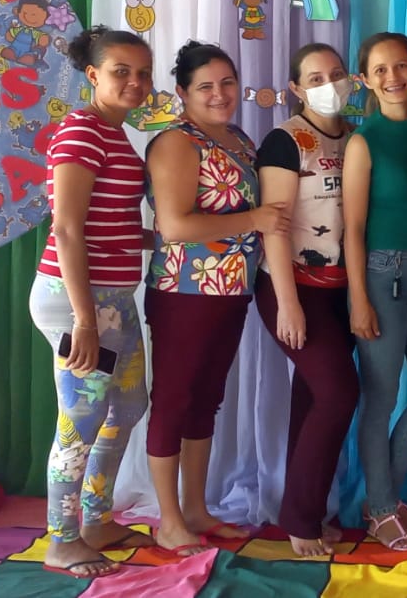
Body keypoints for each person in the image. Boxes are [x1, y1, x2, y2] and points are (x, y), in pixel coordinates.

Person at [143, 41, 289, 556]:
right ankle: (168, 520)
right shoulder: (175, 143)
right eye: (205, 86)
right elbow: (175, 226)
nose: (219, 93)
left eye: (227, 82)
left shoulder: (238, 139)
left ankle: (196, 509)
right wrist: (255, 219)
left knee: (206, 399)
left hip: (231, 291)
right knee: (174, 400)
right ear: (182, 93)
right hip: (184, 292)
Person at [29, 26, 156, 580]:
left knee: (127, 407)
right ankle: (62, 540)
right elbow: (67, 228)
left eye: (142, 73)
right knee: (80, 420)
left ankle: (97, 520)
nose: (135, 82)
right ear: (93, 76)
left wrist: (160, 238)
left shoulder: (114, 134)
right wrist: (83, 319)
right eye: (121, 71)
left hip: (113, 300)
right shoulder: (82, 130)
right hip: (76, 301)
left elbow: (108, 223)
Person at [255, 43, 362, 557]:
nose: (330, 85)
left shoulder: (357, 137)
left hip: (343, 291)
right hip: (293, 287)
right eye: (316, 78)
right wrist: (288, 303)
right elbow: (274, 226)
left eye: (336, 74)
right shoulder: (286, 140)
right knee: (339, 394)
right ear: (296, 89)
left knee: (315, 397)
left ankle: (308, 509)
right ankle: (300, 519)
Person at [343, 32, 407, 551]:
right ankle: (383, 508)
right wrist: (359, 298)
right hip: (383, 276)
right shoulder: (364, 141)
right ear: (365, 79)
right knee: (381, 399)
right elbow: (353, 228)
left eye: (401, 66)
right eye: (381, 69)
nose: (393, 77)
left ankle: (382, 498)